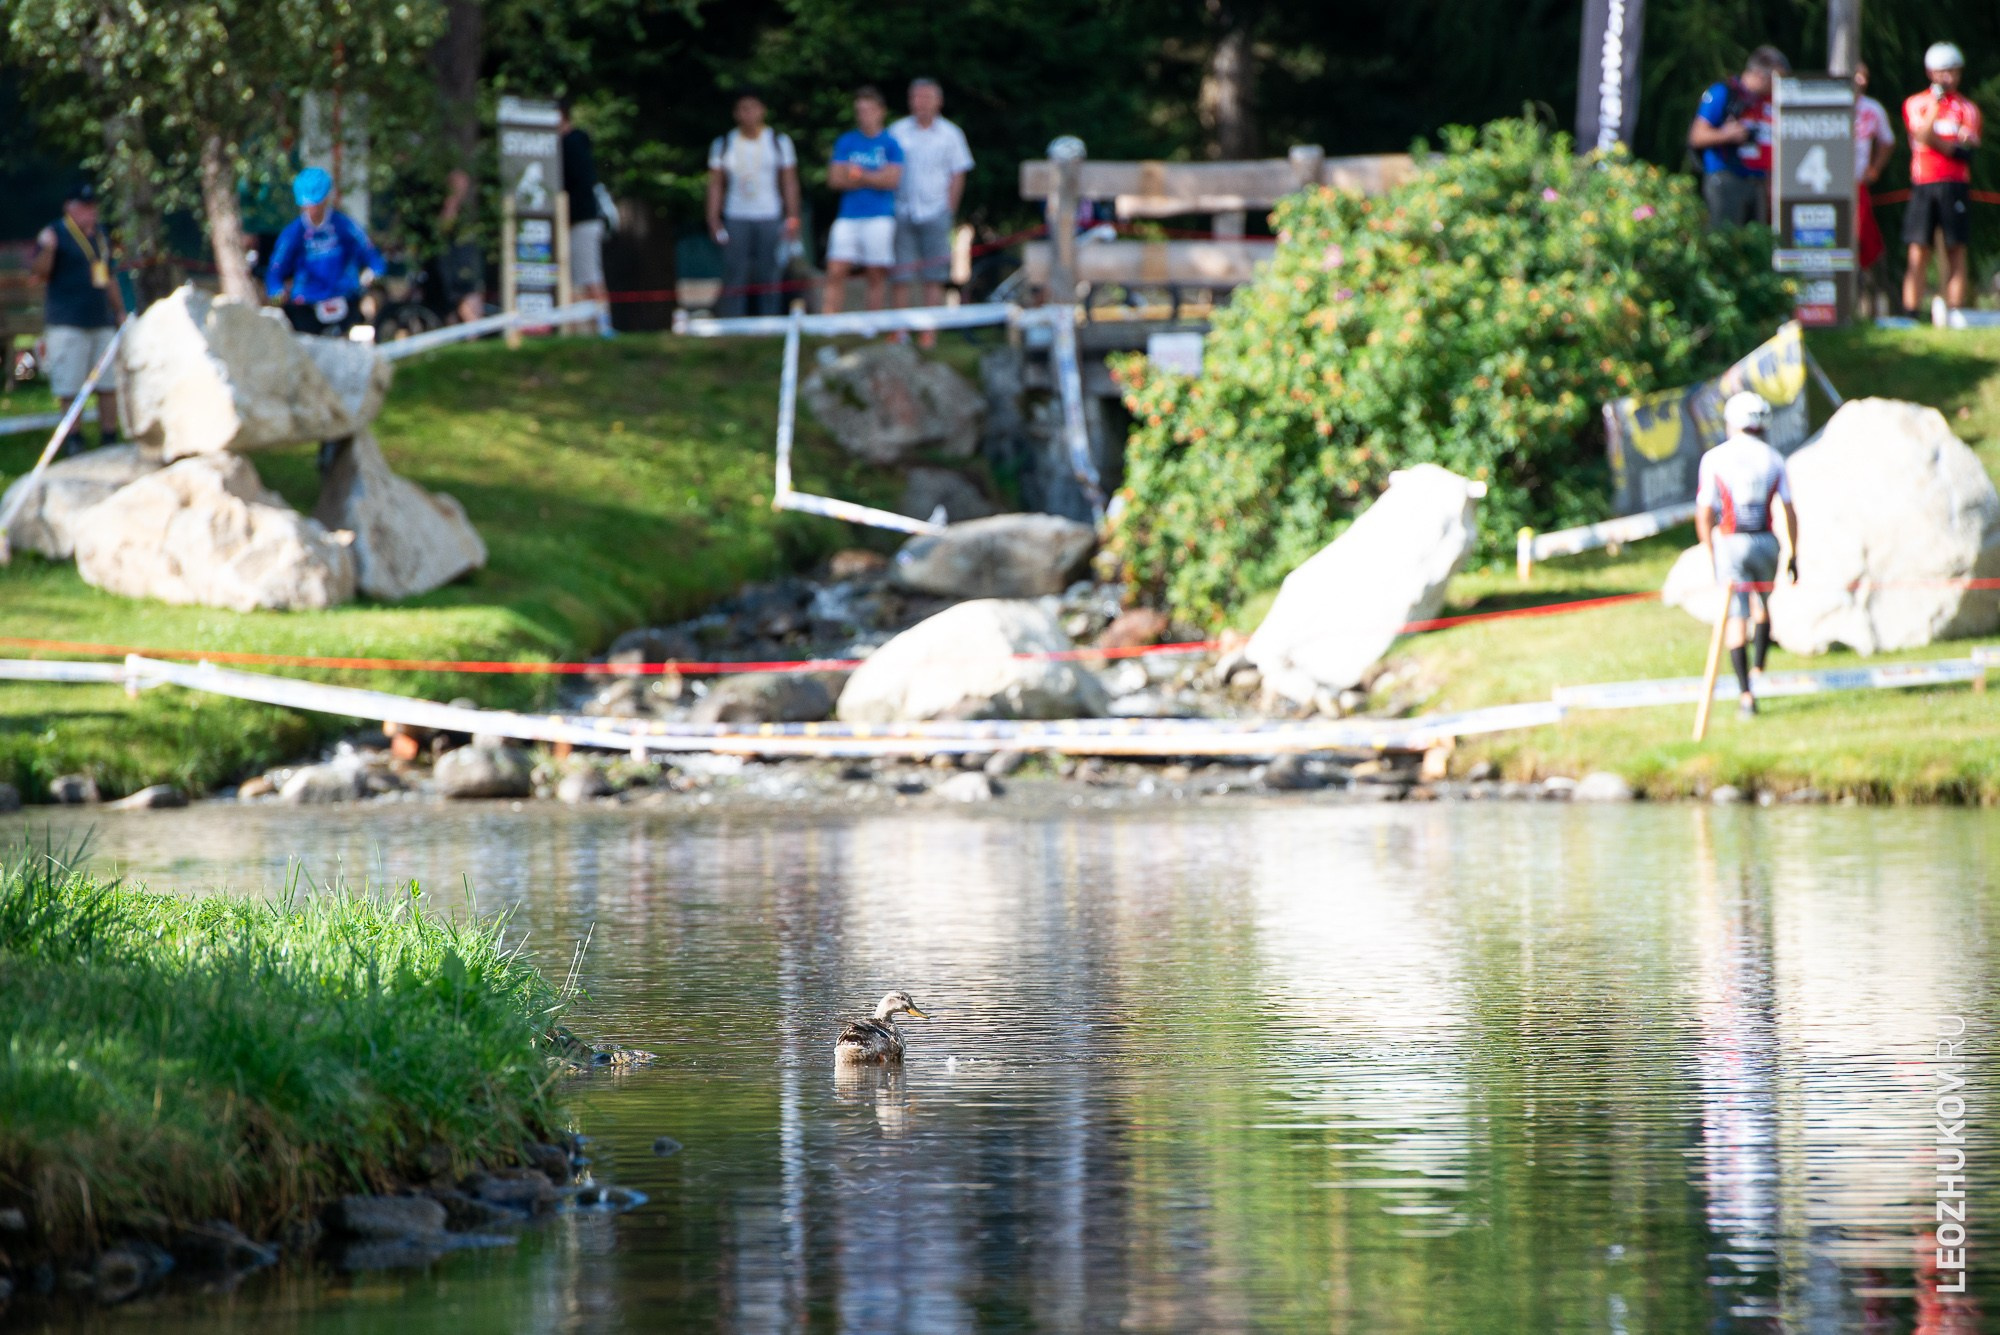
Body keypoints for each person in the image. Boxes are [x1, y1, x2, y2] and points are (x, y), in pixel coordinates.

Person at [1696, 391, 1798, 720]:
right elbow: (1788, 509)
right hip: (1766, 541)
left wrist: (1709, 551)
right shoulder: (1774, 458)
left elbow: (1705, 511)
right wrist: (1793, 553)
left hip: (1730, 543)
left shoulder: (1714, 458)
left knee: (1735, 618)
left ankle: (1745, 695)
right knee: (1763, 608)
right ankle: (1758, 670)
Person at [31, 180, 125, 450]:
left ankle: (109, 436)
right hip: (67, 321)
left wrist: (118, 310)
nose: (90, 212)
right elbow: (39, 273)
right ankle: (74, 439)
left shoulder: (101, 236)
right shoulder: (55, 233)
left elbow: (108, 275)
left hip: (100, 319)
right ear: (69, 207)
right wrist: (48, 248)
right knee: (70, 385)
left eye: (92, 206)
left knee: (108, 382)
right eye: (84, 207)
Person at [888, 77, 974, 345]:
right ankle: (900, 330)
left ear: (938, 101)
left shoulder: (951, 134)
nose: (921, 103)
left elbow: (958, 173)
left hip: (936, 211)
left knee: (933, 276)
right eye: (916, 97)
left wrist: (949, 208)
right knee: (900, 275)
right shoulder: (897, 131)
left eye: (927, 97)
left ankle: (929, 332)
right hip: (902, 210)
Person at [1902, 43, 1983, 315]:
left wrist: (1948, 146)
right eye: (1943, 72)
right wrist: (1937, 112)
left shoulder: (1967, 108)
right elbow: (1921, 134)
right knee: (1918, 249)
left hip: (1955, 183)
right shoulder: (1917, 103)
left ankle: (1956, 310)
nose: (1949, 78)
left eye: (1953, 72)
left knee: (1956, 249)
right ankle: (1911, 311)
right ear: (1931, 73)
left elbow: (1969, 148)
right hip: (1924, 182)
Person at [706, 90, 802, 318]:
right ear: (736, 113)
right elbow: (716, 184)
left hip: (770, 214)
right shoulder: (724, 143)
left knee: (770, 272)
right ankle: (733, 324)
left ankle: (769, 323)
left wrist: (793, 215)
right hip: (736, 214)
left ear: (762, 110)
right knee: (734, 272)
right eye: (743, 109)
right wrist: (713, 218)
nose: (748, 114)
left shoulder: (778, 141)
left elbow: (789, 181)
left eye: (753, 107)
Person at [266, 167, 384, 338]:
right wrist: (276, 290)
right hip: (307, 305)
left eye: (316, 203)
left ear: (326, 199)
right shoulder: (293, 233)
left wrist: (373, 271)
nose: (312, 209)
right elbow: (275, 270)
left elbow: (369, 252)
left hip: (345, 298)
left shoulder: (343, 225)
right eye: (307, 204)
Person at [823, 87, 904, 315]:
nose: (864, 115)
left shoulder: (891, 144)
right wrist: (876, 176)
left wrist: (858, 174)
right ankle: (829, 326)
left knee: (876, 273)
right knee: (836, 269)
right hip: (848, 216)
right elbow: (835, 179)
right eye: (860, 110)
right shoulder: (846, 141)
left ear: (881, 112)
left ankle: (871, 326)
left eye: (869, 110)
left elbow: (892, 180)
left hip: (879, 216)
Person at [1688, 46, 1789, 228]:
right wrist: (1726, 135)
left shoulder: (1766, 102)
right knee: (1725, 241)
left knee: (1754, 245)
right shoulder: (1722, 93)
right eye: (1776, 80)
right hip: (1726, 178)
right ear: (1759, 75)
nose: (1778, 87)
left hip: (1757, 182)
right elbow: (1696, 136)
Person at [1853, 63, 1896, 275]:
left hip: (1858, 183)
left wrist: (1875, 169)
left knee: (1864, 237)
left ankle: (1863, 285)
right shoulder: (1829, 102)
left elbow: (1887, 142)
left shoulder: (1872, 108)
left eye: (1865, 76)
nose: (1861, 80)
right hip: (1829, 184)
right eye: (1856, 75)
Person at [435, 167, 486, 326]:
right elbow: (443, 228)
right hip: (450, 276)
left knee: (471, 319)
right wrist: (452, 200)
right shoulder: (447, 209)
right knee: (453, 319)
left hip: (468, 276)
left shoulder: (467, 213)